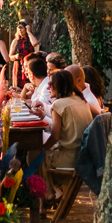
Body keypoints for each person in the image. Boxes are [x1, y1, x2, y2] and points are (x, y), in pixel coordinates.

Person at [42, 69, 94, 198]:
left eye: (50, 84)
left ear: (59, 85)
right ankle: (55, 191)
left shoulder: (59, 105)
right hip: (83, 156)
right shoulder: (81, 101)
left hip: (68, 159)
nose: (48, 88)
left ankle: (49, 193)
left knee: (34, 155)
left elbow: (55, 137)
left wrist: (42, 148)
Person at [9, 19, 39, 88]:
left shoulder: (30, 39)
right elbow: (9, 57)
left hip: (28, 66)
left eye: (21, 28)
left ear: (26, 28)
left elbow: (35, 43)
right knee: (17, 88)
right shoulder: (15, 41)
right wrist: (16, 56)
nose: (20, 30)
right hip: (18, 67)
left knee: (29, 87)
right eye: (18, 28)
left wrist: (28, 31)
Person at [25, 56, 53, 128]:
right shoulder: (41, 84)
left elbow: (37, 108)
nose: (27, 76)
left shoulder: (47, 86)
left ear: (31, 75)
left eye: (27, 73)